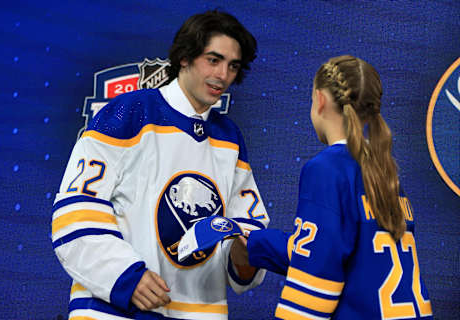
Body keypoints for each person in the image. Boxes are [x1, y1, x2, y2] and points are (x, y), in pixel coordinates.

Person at [51, 10, 269, 320]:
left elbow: (243, 234)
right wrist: (126, 277)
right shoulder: (127, 113)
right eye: (213, 60)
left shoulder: (230, 138)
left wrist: (244, 251)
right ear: (185, 57)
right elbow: (75, 211)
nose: (223, 75)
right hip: (113, 311)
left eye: (232, 66)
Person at [238, 55, 433, 319]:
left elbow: (316, 278)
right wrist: (257, 242)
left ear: (320, 100)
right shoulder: (385, 170)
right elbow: (341, 253)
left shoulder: (326, 169)